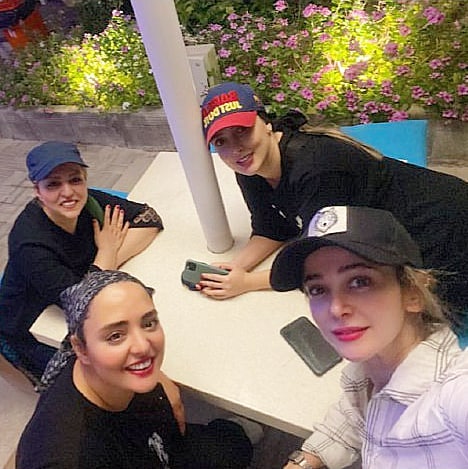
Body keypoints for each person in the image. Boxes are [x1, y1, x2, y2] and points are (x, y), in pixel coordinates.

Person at [198, 82, 468, 332]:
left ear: (266, 124)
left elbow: (325, 260)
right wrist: (234, 269)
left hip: (444, 228)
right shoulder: (250, 166)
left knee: (426, 319)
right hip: (398, 227)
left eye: (242, 131)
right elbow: (273, 228)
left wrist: (247, 283)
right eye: (221, 141)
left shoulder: (316, 169)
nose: (236, 149)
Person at [268, 205, 468, 468]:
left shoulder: (451, 395)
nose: (336, 309)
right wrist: (301, 464)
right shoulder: (370, 370)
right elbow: (353, 417)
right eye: (317, 289)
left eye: (360, 282)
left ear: (413, 293)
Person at [17, 270, 257, 468]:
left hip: (163, 446)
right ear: (80, 348)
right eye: (116, 336)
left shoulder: (95, 362)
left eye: (148, 323)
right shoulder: (69, 456)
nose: (143, 347)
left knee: (233, 446)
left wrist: (159, 378)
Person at [0, 141, 163, 386]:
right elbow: (83, 302)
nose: (68, 192)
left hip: (77, 288)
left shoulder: (89, 202)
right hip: (31, 328)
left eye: (75, 180)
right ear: (37, 191)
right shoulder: (29, 243)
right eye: (53, 184)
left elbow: (149, 219)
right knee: (99, 380)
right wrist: (106, 251)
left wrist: (109, 258)